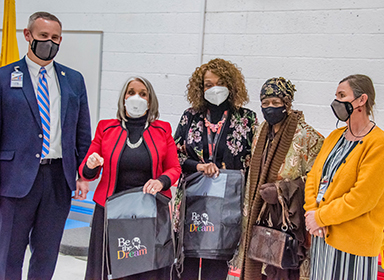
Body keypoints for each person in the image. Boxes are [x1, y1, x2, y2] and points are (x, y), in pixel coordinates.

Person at [0, 11, 91, 280]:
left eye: (55, 38)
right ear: (27, 36)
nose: (49, 42)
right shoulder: (5, 77)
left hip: (57, 179)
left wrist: (85, 174)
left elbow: (82, 131)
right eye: (43, 36)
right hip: (15, 180)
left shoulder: (73, 79)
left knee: (47, 252)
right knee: (9, 254)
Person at [80, 76, 181, 280]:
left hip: (150, 213)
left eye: (143, 94)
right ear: (123, 98)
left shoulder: (163, 130)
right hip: (111, 213)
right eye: (131, 92)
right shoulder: (105, 128)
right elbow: (86, 171)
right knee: (111, 269)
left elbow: (174, 168)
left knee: (146, 268)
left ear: (150, 100)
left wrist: (161, 181)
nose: (137, 97)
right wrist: (91, 165)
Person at [304, 74, 384, 280]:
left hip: (354, 245)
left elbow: (362, 198)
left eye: (342, 95)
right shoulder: (334, 137)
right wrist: (311, 213)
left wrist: (320, 217)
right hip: (323, 236)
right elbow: (314, 177)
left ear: (361, 100)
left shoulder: (379, 144)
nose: (336, 101)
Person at [173, 58, 257, 280]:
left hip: (226, 202)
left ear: (231, 85)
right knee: (188, 262)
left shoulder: (246, 118)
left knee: (216, 265)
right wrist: (199, 166)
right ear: (200, 89)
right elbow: (174, 156)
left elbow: (252, 160)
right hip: (193, 198)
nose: (214, 88)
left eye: (219, 82)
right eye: (208, 84)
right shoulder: (190, 116)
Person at [238, 77, 324, 280]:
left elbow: (316, 180)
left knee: (284, 272)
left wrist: (281, 191)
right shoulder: (260, 131)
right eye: (265, 103)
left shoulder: (308, 136)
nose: (270, 108)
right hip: (258, 217)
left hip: (287, 223)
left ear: (287, 103)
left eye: (276, 103)